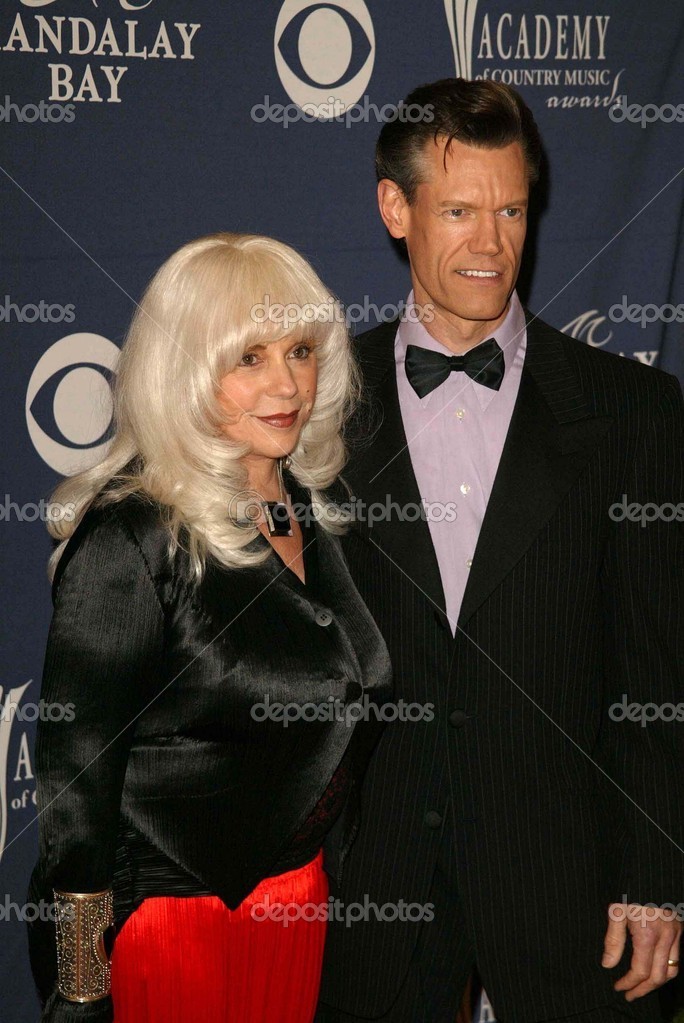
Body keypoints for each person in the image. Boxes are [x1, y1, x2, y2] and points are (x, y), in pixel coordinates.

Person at [316, 78, 683, 1023]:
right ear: (396, 209)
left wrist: (657, 872)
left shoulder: (632, 414)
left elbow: (656, 669)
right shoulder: (317, 407)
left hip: (575, 886)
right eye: (460, 211)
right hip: (372, 888)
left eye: (511, 209)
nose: (491, 244)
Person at [26, 232, 392, 1023]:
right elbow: (74, 793)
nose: (286, 381)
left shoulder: (317, 512)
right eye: (248, 358)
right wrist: (83, 987)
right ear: (187, 374)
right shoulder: (132, 536)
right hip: (174, 935)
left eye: (300, 349)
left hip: (298, 911)